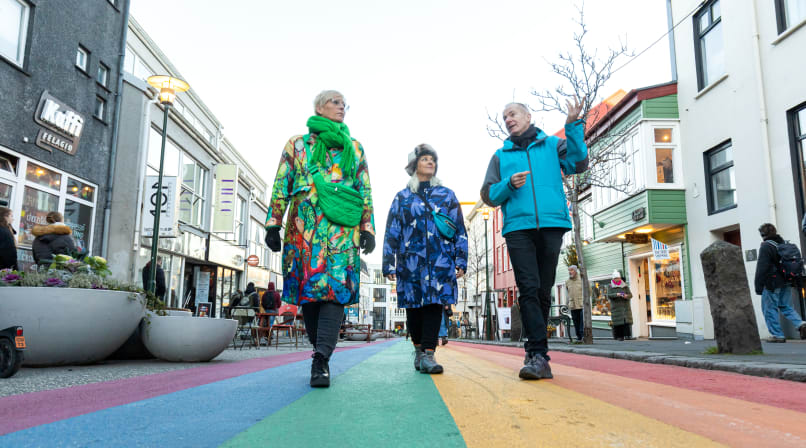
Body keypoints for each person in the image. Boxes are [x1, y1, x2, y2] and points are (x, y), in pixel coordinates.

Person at [265, 90, 375, 388]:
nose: (342, 108)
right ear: (319, 107)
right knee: (310, 296)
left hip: (341, 233)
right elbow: (282, 182)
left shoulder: (354, 147)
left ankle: (321, 359)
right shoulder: (298, 144)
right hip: (304, 232)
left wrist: (368, 227)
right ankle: (319, 350)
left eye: (344, 104)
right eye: (335, 102)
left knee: (335, 291)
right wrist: (273, 223)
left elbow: (364, 189)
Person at [480, 98, 586, 380]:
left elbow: (578, 163)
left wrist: (573, 126)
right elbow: (488, 195)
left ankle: (535, 351)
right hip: (518, 228)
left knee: (542, 289)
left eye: (512, 114)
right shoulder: (500, 156)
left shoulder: (552, 145)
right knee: (528, 287)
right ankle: (538, 354)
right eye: (504, 117)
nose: (508, 119)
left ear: (528, 116)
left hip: (552, 224)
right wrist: (508, 184)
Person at [383, 143, 468, 374]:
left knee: (434, 304)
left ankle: (429, 354)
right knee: (413, 307)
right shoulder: (403, 197)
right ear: (414, 165)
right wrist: (388, 261)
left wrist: (461, 259)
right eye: (425, 159)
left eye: (433, 159)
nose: (430, 162)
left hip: (441, 260)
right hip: (412, 261)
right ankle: (419, 350)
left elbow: (459, 228)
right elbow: (393, 229)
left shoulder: (447, 195)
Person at [754, 223, 806, 342]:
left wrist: (758, 286)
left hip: (772, 283)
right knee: (786, 306)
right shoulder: (783, 243)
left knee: (769, 309)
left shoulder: (766, 246)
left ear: (762, 234)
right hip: (786, 281)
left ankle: (777, 335)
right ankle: (800, 324)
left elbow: (762, 267)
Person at [607, 269, 633, 341]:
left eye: (618, 278)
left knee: (626, 321)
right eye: (616, 278)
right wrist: (617, 294)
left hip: (625, 307)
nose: (617, 280)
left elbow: (631, 295)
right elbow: (609, 295)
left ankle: (628, 335)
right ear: (613, 279)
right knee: (618, 322)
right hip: (616, 308)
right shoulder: (610, 286)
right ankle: (619, 336)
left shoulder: (625, 286)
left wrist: (626, 296)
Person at [565, 265, 584, 342]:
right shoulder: (567, 282)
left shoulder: (582, 279)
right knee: (576, 321)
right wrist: (567, 304)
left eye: (572, 270)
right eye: (569, 270)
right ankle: (578, 337)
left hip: (582, 304)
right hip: (573, 305)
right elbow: (567, 294)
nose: (570, 272)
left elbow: (588, 291)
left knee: (582, 321)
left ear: (576, 271)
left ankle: (583, 336)